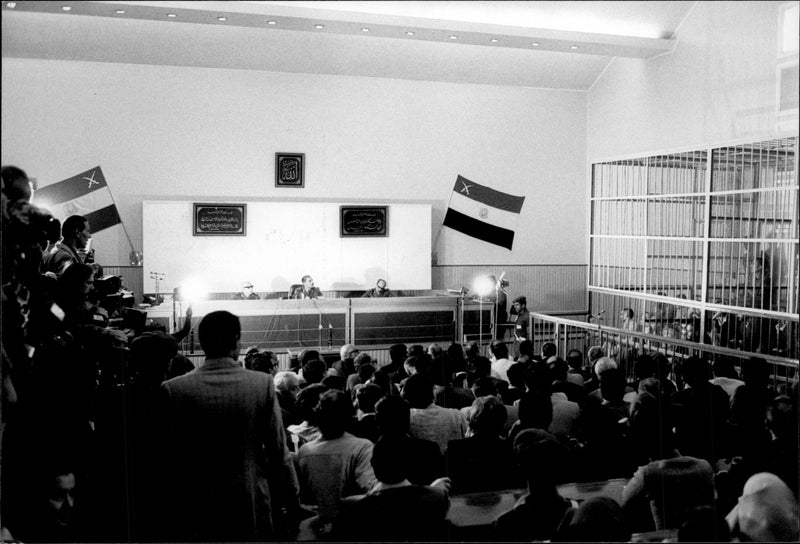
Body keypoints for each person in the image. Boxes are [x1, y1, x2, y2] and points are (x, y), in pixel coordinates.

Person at [159, 310, 301, 541]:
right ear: (237, 340)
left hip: (197, 501)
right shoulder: (261, 384)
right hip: (250, 497)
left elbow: (169, 456)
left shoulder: (173, 389)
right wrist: (292, 497)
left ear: (202, 342)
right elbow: (278, 452)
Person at [330, 435, 451, 542]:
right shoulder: (437, 498)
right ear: (409, 464)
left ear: (373, 464)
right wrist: (431, 489)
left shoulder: (350, 509)